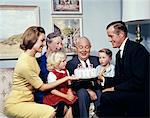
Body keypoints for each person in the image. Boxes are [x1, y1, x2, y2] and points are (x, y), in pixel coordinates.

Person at [4, 26, 77, 118]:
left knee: (68, 108)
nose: (44, 44)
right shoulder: (24, 63)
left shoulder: (31, 57)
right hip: (17, 104)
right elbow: (42, 87)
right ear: (33, 40)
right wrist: (66, 78)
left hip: (28, 101)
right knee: (50, 112)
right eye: (42, 41)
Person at [96, 21, 149, 117]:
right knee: (105, 96)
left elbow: (138, 81)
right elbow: (120, 78)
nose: (109, 39)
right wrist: (104, 79)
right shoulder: (119, 53)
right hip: (129, 91)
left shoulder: (137, 50)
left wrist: (114, 88)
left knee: (106, 97)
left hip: (140, 94)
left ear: (121, 34)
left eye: (111, 36)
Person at [66, 36, 102, 118]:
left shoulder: (96, 60)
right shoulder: (71, 64)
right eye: (81, 47)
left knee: (100, 93)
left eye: (86, 47)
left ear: (90, 47)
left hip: (96, 87)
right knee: (82, 93)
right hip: (80, 89)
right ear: (76, 48)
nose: (84, 50)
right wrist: (88, 90)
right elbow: (72, 83)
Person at [43, 51, 78, 118]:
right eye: (63, 61)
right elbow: (52, 90)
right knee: (61, 105)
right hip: (57, 94)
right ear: (56, 62)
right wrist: (65, 96)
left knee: (75, 103)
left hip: (66, 92)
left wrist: (70, 91)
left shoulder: (66, 71)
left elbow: (69, 83)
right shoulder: (52, 74)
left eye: (65, 60)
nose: (66, 62)